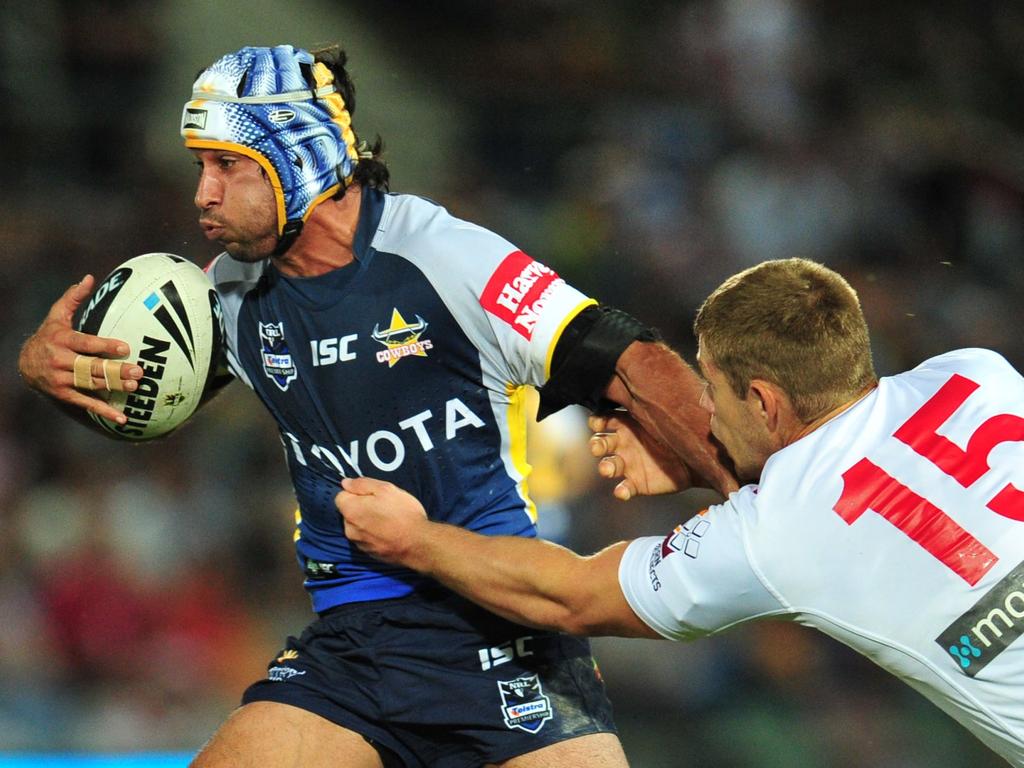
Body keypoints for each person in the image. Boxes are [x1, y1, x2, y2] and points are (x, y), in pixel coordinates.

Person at [16, 43, 738, 767]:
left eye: (226, 165)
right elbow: (138, 410)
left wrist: (748, 490)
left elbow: (631, 358)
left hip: (500, 629)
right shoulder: (225, 295)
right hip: (351, 651)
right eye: (200, 167)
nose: (202, 194)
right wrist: (55, 373)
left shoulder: (446, 257)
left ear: (294, 157)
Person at [337, 258, 1024, 767]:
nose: (706, 413)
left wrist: (416, 540)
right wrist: (711, 470)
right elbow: (857, 486)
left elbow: (570, 597)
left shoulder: (775, 534)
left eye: (713, 391)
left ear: (763, 402)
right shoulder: (977, 373)